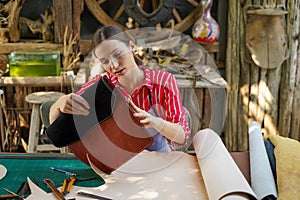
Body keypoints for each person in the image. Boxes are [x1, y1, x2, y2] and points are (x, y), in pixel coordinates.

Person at [49, 24, 190, 153]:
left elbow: (181, 137)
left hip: (158, 161)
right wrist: (60, 103)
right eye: (105, 61)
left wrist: (154, 122)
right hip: (117, 164)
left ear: (131, 47)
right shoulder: (100, 85)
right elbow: (57, 129)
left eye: (117, 54)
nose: (114, 65)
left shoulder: (164, 81)